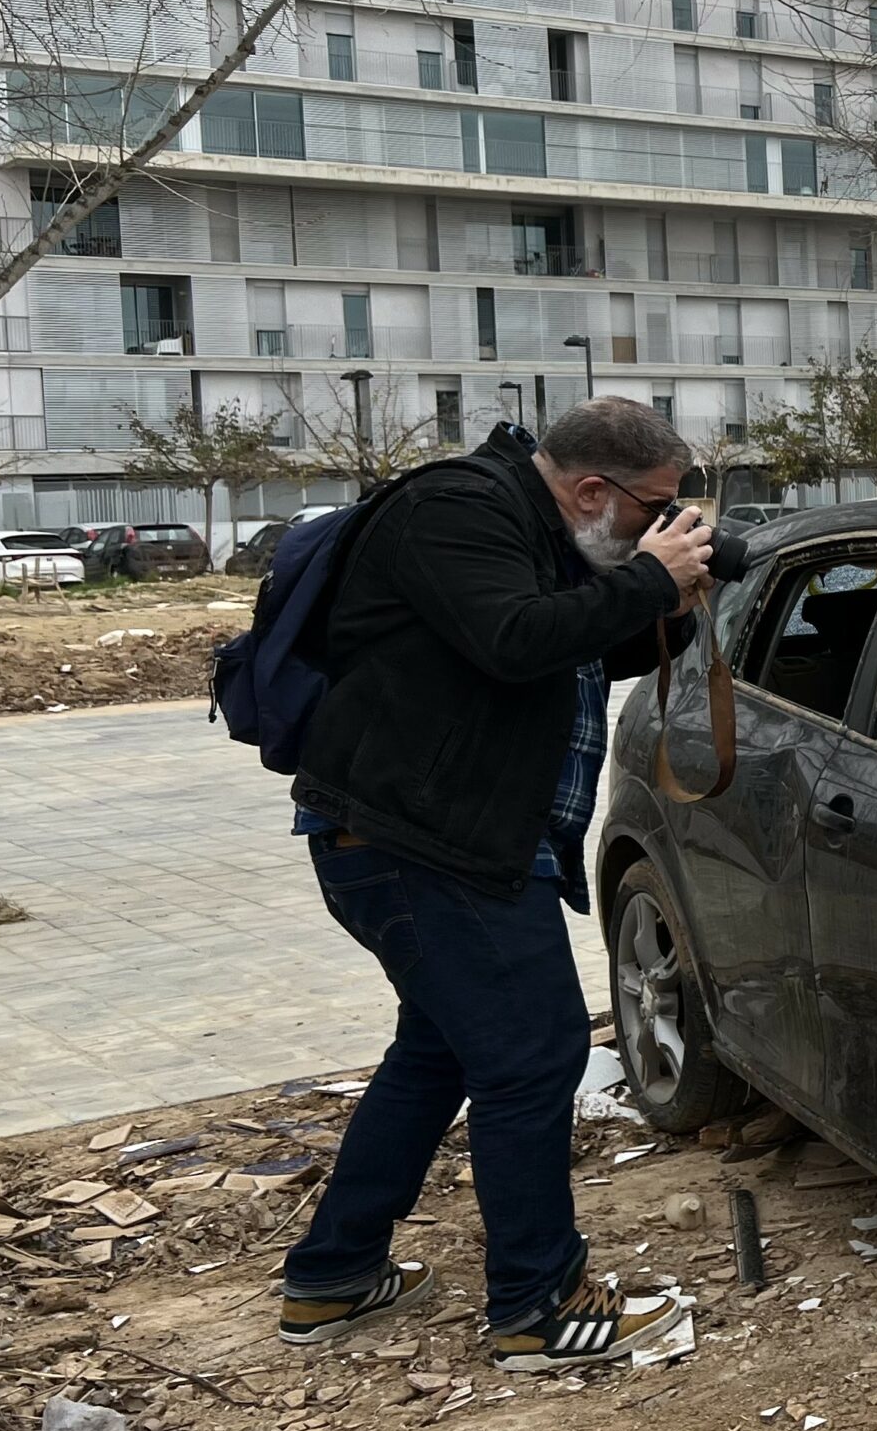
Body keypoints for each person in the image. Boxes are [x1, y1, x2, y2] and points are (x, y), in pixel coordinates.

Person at [275, 400, 714, 1368]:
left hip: (447, 837)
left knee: (438, 1051)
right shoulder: (460, 512)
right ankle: (537, 1302)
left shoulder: (539, 529)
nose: (658, 525)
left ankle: (332, 1273)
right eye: (653, 509)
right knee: (533, 1050)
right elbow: (515, 637)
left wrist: (669, 607)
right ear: (592, 488)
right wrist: (646, 576)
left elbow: (575, 647)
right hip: (418, 843)